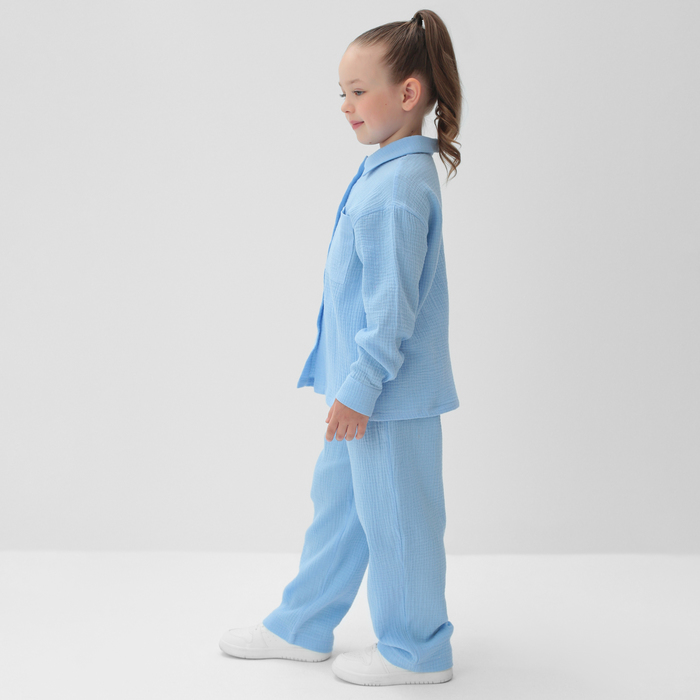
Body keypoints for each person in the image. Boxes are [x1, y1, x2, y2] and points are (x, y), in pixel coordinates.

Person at [219, 9, 463, 687]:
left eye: (359, 91)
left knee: (399, 522)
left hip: (384, 396)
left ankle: (418, 650)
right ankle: (301, 625)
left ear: (408, 93)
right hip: (359, 390)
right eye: (342, 94)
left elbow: (390, 311)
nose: (347, 106)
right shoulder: (385, 173)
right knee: (341, 509)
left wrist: (360, 388)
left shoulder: (397, 189)